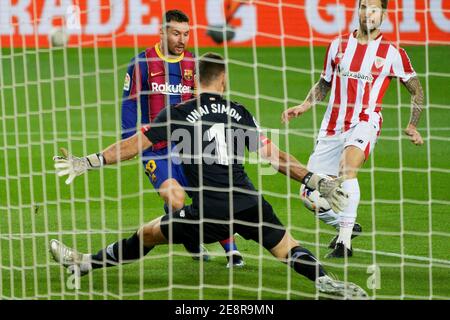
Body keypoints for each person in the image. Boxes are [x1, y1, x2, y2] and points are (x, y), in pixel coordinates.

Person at [50, 52, 367, 299]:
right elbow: (277, 158)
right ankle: (328, 282)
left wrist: (88, 162)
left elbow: (133, 145)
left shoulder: (177, 113)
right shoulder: (240, 111)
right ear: (223, 80)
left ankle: (85, 263)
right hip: (248, 202)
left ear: (194, 81)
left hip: (209, 212)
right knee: (287, 247)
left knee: (147, 234)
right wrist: (317, 181)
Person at [281, 0, 424, 258]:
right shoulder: (337, 46)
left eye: (374, 8)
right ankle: (346, 225)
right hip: (332, 125)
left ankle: (343, 244)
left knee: (347, 171)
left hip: (365, 121)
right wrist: (305, 105)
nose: (368, 13)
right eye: (363, 7)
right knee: (308, 192)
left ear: (384, 14)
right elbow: (324, 82)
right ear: (357, 10)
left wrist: (413, 124)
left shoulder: (393, 53)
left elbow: (416, 89)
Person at [122, 9, 244, 266]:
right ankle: (189, 239)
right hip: (156, 149)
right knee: (175, 198)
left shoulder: (193, 64)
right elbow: (129, 105)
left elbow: (207, 103)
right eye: (176, 33)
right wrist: (129, 144)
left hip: (189, 145)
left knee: (210, 194)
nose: (182, 39)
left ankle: (231, 250)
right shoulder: (142, 63)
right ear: (162, 32)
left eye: (186, 34)